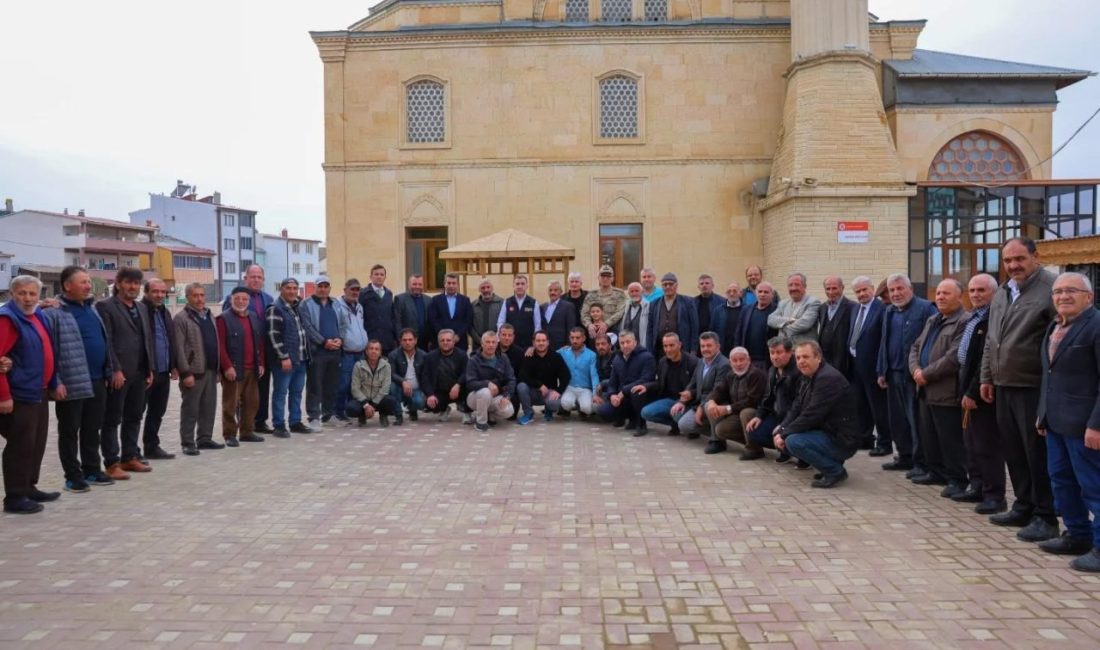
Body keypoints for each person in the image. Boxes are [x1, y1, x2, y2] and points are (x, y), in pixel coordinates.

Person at [981, 237, 1059, 542]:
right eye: (1007, 261)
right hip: (1003, 385)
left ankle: (1046, 515)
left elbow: (1058, 339)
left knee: (1036, 454)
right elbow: (992, 340)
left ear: (1035, 258)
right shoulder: (1002, 292)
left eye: (1019, 259)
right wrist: (986, 377)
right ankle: (1023, 505)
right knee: (1013, 451)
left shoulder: (1050, 288)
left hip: (1033, 387)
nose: (1013, 265)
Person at [1037, 272, 1100, 571]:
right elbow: (1048, 376)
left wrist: (1097, 425)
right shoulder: (1055, 326)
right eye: (1058, 291)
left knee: (1093, 487)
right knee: (1062, 482)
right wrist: (1042, 414)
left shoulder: (1096, 326)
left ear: (1089, 297)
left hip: (1085, 426)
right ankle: (1077, 535)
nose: (1063, 296)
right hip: (1056, 422)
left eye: (1071, 291)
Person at [49, 266, 113, 491]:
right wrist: (55, 381)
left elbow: (104, 341)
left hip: (97, 380)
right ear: (67, 285)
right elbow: (51, 350)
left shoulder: (91, 309)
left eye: (89, 282)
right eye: (83, 282)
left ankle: (92, 470)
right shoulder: (55, 312)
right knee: (69, 431)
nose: (88, 286)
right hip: (72, 381)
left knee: (92, 428)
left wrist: (108, 370)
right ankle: (72, 476)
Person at [0, 276, 61, 513]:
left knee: (36, 442)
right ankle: (15, 496)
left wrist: (54, 382)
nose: (27, 298)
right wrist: (3, 395)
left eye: (32, 294)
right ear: (11, 294)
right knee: (20, 445)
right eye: (22, 293)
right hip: (19, 393)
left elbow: (49, 351)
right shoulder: (7, 320)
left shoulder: (38, 315)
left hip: (40, 390)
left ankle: (29, 487)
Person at [909, 279, 969, 496]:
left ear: (959, 297)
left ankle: (957, 479)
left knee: (950, 439)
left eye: (947, 293)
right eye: (939, 293)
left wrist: (925, 373)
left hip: (946, 391)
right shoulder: (933, 319)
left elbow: (953, 357)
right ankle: (936, 472)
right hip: (924, 389)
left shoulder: (964, 321)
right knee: (929, 435)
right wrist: (915, 369)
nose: (941, 297)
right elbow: (916, 346)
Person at [773, 341, 861, 488]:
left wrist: (784, 434)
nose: (801, 361)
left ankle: (834, 470)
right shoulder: (809, 375)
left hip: (842, 439)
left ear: (818, 357)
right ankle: (829, 465)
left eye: (806, 357)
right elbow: (797, 406)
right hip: (829, 431)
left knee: (793, 441)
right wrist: (782, 427)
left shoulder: (827, 378)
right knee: (786, 435)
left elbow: (811, 415)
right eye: (798, 358)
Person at [96, 267, 155, 479]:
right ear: (118, 283)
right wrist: (115, 370)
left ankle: (130, 457)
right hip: (119, 374)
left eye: (136, 283)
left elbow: (146, 339)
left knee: (134, 416)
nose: (133, 287)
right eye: (128, 282)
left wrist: (149, 369)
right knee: (112, 419)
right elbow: (107, 341)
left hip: (140, 372)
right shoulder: (105, 307)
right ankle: (112, 463)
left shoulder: (141, 307)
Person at [956, 273, 1006, 514]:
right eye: (972, 290)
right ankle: (976, 486)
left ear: (994, 293)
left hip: (982, 392)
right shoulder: (973, 318)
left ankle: (994, 495)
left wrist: (973, 391)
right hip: (966, 387)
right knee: (971, 444)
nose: (975, 295)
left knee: (987, 446)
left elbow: (983, 362)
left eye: (981, 290)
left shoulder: (993, 320)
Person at [876, 274, 937, 473]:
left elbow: (931, 343)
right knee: (897, 421)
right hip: (892, 375)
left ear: (910, 289)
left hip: (913, 377)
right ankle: (904, 456)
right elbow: (884, 342)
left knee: (916, 422)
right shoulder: (889, 312)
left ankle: (921, 463)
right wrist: (881, 370)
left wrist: (924, 371)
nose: (896, 293)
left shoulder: (926, 309)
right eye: (892, 290)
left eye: (900, 288)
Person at [224, 264, 276, 434]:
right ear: (245, 278)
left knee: (261, 389)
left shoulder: (269, 299)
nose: (256, 280)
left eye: (259, 277)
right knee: (239, 394)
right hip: (241, 353)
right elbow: (228, 325)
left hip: (262, 352)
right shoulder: (235, 298)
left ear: (263, 279)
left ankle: (260, 421)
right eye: (252, 276)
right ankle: (243, 424)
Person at [174, 283, 222, 456]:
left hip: (210, 369)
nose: (200, 299)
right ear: (188, 297)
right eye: (195, 295)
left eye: (202, 295)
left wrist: (217, 370)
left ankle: (204, 438)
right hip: (193, 371)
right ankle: (187, 442)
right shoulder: (181, 318)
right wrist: (185, 372)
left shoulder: (209, 315)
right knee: (190, 409)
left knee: (209, 407)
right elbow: (178, 347)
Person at [217, 286, 266, 446]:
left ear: (248, 301)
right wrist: (227, 367)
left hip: (252, 368)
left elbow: (259, 342)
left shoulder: (253, 316)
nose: (241, 301)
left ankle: (247, 431)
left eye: (244, 299)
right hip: (234, 369)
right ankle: (229, 434)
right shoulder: (223, 319)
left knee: (252, 402)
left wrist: (261, 363)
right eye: (237, 298)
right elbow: (220, 346)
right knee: (231, 403)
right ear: (231, 300)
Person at [847, 275, 890, 454]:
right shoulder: (856, 309)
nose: (862, 294)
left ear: (872, 289)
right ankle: (865, 439)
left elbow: (883, 340)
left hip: (873, 366)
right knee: (860, 404)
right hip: (856, 364)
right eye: (858, 291)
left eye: (865, 290)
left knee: (878, 407)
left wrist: (881, 369)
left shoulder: (882, 309)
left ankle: (884, 443)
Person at [299, 276, 347, 429]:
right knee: (315, 385)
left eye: (326, 286)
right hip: (317, 351)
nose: (323, 289)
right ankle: (313, 417)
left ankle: (328, 415)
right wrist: (323, 342)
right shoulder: (306, 304)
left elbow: (344, 324)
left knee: (331, 385)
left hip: (335, 351)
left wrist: (340, 339)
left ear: (330, 288)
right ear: (315, 287)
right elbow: (307, 327)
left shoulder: (336, 303)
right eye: (320, 286)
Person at [744, 337, 802, 462]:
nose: (775, 356)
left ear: (789, 352)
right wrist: (759, 416)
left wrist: (783, 426)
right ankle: (784, 450)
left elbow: (799, 404)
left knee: (782, 433)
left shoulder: (798, 372)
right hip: (778, 415)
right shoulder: (772, 370)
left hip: (796, 418)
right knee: (754, 432)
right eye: (772, 352)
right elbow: (768, 397)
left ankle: (801, 456)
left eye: (779, 352)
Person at [267, 277, 312, 437]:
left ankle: (295, 421)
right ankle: (279, 425)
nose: (292, 291)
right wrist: (283, 357)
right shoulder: (275, 308)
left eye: (295, 288)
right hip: (284, 361)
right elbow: (274, 336)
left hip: (300, 359)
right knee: (280, 392)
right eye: (289, 288)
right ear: (282, 289)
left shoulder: (297, 307)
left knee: (297, 392)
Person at [139, 278, 177, 461]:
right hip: (146, 373)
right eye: (155, 291)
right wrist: (147, 369)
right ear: (146, 292)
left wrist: (173, 365)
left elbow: (170, 339)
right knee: (136, 413)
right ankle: (130, 452)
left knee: (157, 412)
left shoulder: (164, 312)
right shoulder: (140, 311)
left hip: (163, 371)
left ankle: (151, 446)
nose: (160, 295)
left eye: (163, 292)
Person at [703, 347, 767, 456]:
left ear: (749, 360)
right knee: (719, 426)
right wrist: (712, 401)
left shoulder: (756, 374)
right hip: (737, 413)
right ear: (730, 362)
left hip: (756, 414)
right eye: (735, 360)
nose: (738, 363)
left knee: (746, 412)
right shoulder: (731, 374)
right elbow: (719, 390)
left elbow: (752, 401)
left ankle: (754, 448)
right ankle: (718, 442)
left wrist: (728, 409)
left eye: (742, 360)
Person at [638, 333, 699, 436]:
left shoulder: (693, 362)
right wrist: (646, 386)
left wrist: (686, 399)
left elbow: (698, 386)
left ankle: (691, 428)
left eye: (671, 345)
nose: (668, 349)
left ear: (679, 345)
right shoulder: (663, 362)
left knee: (678, 416)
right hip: (670, 400)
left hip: (688, 402)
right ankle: (675, 425)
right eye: (665, 346)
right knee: (645, 412)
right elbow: (659, 382)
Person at [596, 331, 656, 433]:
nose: (625, 345)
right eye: (622, 343)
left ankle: (641, 423)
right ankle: (630, 418)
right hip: (622, 398)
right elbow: (612, 382)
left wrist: (624, 391)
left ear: (635, 342)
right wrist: (612, 395)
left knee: (637, 391)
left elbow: (647, 378)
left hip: (643, 395)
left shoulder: (647, 357)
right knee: (603, 411)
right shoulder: (618, 359)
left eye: (628, 342)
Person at [674, 332, 731, 440]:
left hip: (716, 403)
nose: (705, 349)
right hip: (699, 402)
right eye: (702, 346)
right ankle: (709, 428)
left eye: (709, 345)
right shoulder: (701, 362)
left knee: (688, 422)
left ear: (718, 346)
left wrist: (701, 407)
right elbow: (693, 383)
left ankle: (717, 438)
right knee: (677, 415)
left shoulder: (724, 364)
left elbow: (717, 391)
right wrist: (684, 398)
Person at [466, 331, 517, 432]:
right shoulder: (473, 360)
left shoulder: (503, 358)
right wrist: (487, 384)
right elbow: (470, 383)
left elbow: (511, 379)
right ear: (482, 344)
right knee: (485, 392)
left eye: (493, 342)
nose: (491, 345)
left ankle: (490, 415)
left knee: (509, 410)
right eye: (488, 342)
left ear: (497, 344)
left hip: (495, 397)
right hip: (475, 398)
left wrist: (507, 396)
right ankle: (481, 422)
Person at [334, 278, 369, 423]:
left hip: (360, 352)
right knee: (343, 383)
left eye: (357, 290)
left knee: (356, 385)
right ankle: (338, 412)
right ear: (345, 290)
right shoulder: (337, 306)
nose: (355, 292)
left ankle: (350, 410)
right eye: (352, 289)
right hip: (346, 352)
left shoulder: (360, 307)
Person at [517, 330, 571, 424]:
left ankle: (549, 410)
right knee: (521, 386)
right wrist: (539, 385)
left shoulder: (556, 357)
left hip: (549, 392)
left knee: (554, 404)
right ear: (533, 342)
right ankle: (528, 414)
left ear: (548, 342)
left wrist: (558, 391)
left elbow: (566, 376)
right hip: (533, 392)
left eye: (543, 340)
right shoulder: (528, 356)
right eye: (538, 341)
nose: (541, 343)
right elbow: (522, 376)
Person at [348, 340, 398, 427]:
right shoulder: (358, 365)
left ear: (380, 352)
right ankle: (362, 415)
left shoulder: (386, 366)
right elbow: (355, 388)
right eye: (371, 348)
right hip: (363, 400)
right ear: (366, 351)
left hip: (379, 399)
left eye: (376, 349)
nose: (374, 351)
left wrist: (374, 404)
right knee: (351, 408)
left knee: (392, 401)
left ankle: (383, 414)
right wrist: (366, 405)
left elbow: (385, 388)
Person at [421, 329, 469, 421]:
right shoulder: (430, 357)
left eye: (448, 340)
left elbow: (466, 373)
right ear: (438, 342)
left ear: (453, 341)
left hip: (459, 389)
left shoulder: (462, 355)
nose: (445, 343)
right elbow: (425, 378)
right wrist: (430, 395)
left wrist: (458, 385)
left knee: (471, 391)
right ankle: (444, 409)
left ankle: (467, 411)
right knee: (430, 404)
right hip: (441, 390)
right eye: (442, 340)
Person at [647, 273, 699, 357]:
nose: (668, 287)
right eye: (665, 284)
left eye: (671, 284)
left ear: (676, 285)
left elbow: (694, 327)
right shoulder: (654, 304)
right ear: (662, 286)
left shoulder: (688, 302)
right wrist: (649, 350)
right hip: (660, 350)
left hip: (682, 349)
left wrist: (693, 350)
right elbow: (650, 329)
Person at [817, 276, 855, 378]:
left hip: (843, 361)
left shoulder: (852, 307)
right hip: (825, 359)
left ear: (842, 288)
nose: (831, 292)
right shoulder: (822, 308)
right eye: (828, 289)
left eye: (834, 288)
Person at [767, 272, 821, 343]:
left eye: (797, 284)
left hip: (805, 350)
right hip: (785, 350)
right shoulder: (783, 303)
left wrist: (782, 328)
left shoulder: (813, 302)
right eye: (790, 285)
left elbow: (804, 324)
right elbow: (770, 319)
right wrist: (788, 320)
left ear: (804, 286)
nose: (793, 288)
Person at [559, 327, 600, 417]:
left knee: (587, 409)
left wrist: (595, 394)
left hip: (585, 388)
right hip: (570, 387)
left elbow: (594, 376)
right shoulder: (564, 352)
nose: (574, 340)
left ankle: (582, 407)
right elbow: (549, 355)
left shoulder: (591, 355)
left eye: (577, 338)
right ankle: (573, 405)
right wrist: (533, 348)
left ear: (584, 338)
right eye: (572, 338)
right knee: (566, 404)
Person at [387, 328, 426, 423]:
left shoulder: (424, 355)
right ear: (400, 341)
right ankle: (398, 415)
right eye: (404, 340)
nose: (407, 342)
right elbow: (391, 373)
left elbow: (427, 376)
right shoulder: (393, 355)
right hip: (400, 387)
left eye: (410, 340)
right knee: (392, 386)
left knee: (420, 402)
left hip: (416, 389)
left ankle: (413, 409)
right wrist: (403, 381)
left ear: (415, 340)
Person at [428, 273, 473, 351]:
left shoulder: (465, 300)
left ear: (457, 285)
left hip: (459, 342)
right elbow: (433, 320)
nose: (451, 286)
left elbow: (468, 320)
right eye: (449, 283)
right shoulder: (435, 300)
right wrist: (444, 335)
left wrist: (458, 335)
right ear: (444, 284)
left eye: (454, 283)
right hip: (441, 342)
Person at [738, 281, 777, 369]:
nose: (762, 294)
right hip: (747, 359)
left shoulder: (777, 311)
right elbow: (738, 333)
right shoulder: (746, 310)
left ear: (772, 294)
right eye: (760, 291)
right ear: (756, 293)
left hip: (766, 360)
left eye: (766, 292)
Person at [496, 274, 542, 350]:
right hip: (510, 345)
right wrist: (500, 339)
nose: (520, 286)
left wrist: (535, 344)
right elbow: (500, 322)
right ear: (513, 286)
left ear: (527, 286)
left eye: (522, 284)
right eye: (517, 284)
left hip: (528, 345)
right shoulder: (507, 302)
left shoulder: (533, 302)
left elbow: (538, 326)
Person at [359, 264, 397, 353]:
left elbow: (391, 316)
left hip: (387, 341)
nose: (379, 277)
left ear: (385, 277)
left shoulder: (389, 294)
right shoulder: (363, 294)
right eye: (376, 274)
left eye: (381, 274)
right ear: (371, 277)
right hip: (370, 338)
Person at [582, 265, 628, 335]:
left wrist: (606, 324)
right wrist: (589, 325)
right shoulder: (591, 295)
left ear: (612, 278)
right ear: (598, 278)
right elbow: (584, 313)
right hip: (594, 331)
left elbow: (620, 312)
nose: (605, 279)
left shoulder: (619, 294)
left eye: (608, 276)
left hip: (612, 330)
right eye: (603, 276)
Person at [394, 274, 431, 351]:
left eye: (420, 284)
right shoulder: (400, 299)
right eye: (414, 284)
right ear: (409, 285)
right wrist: (400, 339)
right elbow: (397, 322)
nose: (417, 286)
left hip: (424, 342)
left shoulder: (428, 300)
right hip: (407, 342)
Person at [541, 281, 577, 351]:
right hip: (545, 345)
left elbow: (571, 327)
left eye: (555, 290)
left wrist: (569, 344)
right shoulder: (542, 307)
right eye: (550, 290)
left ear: (561, 292)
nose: (552, 292)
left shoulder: (568, 306)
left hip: (562, 346)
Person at [710, 282, 743, 356]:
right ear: (726, 294)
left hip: (741, 349)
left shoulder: (747, 310)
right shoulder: (718, 311)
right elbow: (712, 331)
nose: (731, 293)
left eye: (735, 291)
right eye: (729, 291)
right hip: (722, 350)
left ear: (740, 293)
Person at [470, 279, 503, 353]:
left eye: (488, 287)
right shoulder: (473, 305)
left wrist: (496, 339)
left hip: (496, 345)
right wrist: (480, 340)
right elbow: (470, 326)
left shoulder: (502, 303)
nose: (486, 290)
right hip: (477, 345)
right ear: (479, 290)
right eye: (483, 288)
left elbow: (504, 323)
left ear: (492, 288)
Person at [621, 283, 651, 350]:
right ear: (628, 294)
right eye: (632, 291)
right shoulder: (625, 306)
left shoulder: (649, 306)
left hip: (642, 347)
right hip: (627, 347)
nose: (634, 293)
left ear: (642, 292)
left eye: (637, 291)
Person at [592, 333, 617, 410]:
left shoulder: (618, 358)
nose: (600, 347)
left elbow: (619, 379)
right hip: (600, 391)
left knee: (598, 408)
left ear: (610, 345)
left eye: (603, 344)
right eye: (598, 344)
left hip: (615, 391)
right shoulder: (596, 358)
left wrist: (603, 383)